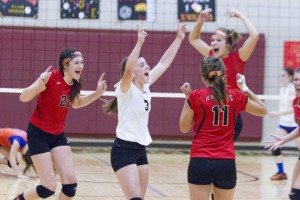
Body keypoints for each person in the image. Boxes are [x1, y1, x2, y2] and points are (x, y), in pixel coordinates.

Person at [103, 24, 188, 200]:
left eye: (146, 64)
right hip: (123, 150)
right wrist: (139, 42)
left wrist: (179, 38)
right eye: (142, 65)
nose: (148, 66)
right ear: (134, 72)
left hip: (140, 150)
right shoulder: (125, 89)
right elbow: (127, 70)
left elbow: (164, 62)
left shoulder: (146, 86)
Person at [14, 48, 107, 200]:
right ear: (65, 65)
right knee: (47, 188)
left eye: (82, 62)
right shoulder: (51, 77)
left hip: (57, 135)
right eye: (77, 63)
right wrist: (38, 84)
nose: (81, 66)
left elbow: (76, 103)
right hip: (38, 133)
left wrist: (97, 94)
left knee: (70, 186)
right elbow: (23, 97)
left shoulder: (74, 84)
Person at [179, 56, 267, 200]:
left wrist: (187, 97)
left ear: (203, 76)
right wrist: (245, 89)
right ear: (223, 73)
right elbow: (263, 110)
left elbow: (184, 127)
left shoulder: (196, 96)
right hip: (226, 163)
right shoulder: (236, 95)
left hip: (200, 160)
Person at [188, 8, 259, 141]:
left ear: (228, 45)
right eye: (213, 40)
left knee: (222, 154)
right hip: (212, 113)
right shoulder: (210, 54)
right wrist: (200, 21)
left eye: (219, 40)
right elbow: (193, 39)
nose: (214, 42)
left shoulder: (239, 57)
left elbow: (254, 36)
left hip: (230, 115)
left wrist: (241, 15)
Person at [265, 67, 300, 200]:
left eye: (299, 80)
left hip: (291, 124)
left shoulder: (292, 91)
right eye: (296, 79)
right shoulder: (296, 101)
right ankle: (281, 171)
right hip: (286, 124)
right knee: (293, 192)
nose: (297, 83)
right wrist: (283, 140)